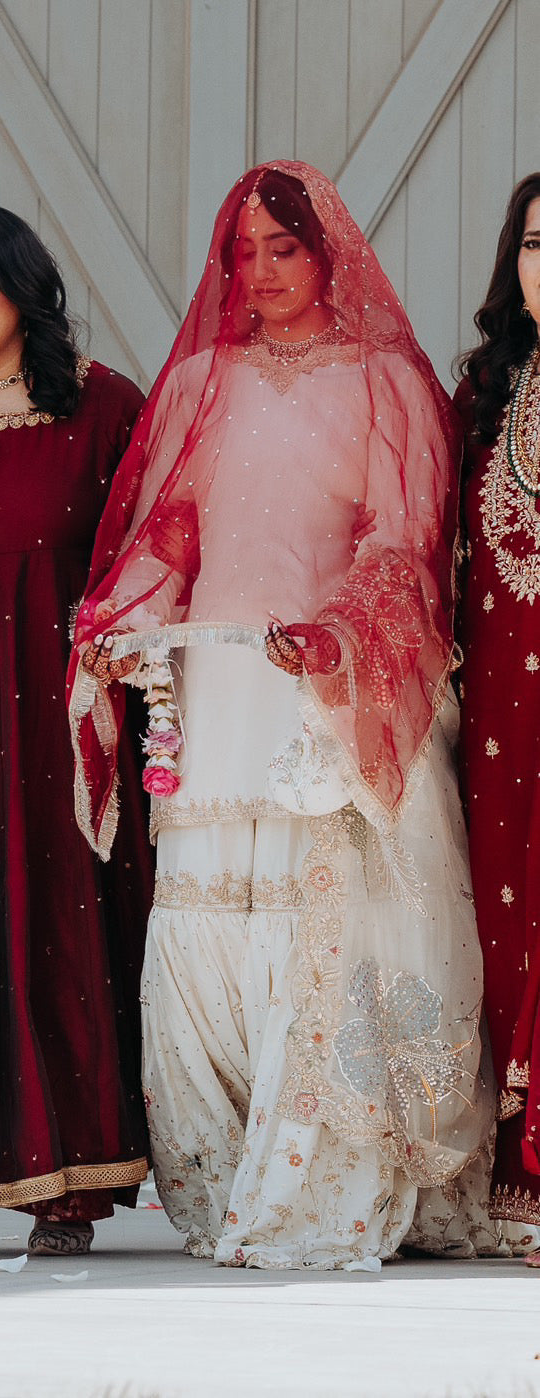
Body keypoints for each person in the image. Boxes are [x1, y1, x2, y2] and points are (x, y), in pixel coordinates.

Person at [72, 161, 520, 1270]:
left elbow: (404, 546)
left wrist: (339, 638)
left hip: (337, 693)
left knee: (332, 923)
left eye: (285, 248)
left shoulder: (388, 384)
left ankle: (329, 1182)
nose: (263, 272)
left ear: (330, 255)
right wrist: (127, 621)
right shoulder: (198, 384)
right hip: (220, 693)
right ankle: (232, 1178)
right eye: (244, 253)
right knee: (212, 922)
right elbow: (170, 534)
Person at [0, 201, 153, 1256]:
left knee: (50, 918)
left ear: (20, 284)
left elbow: (155, 553)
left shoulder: (100, 409)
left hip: (55, 724)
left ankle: (69, 1182)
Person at [456, 173, 540, 1265]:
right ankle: (516, 1173)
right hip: (502, 710)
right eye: (534, 244)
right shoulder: (483, 389)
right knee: (505, 922)